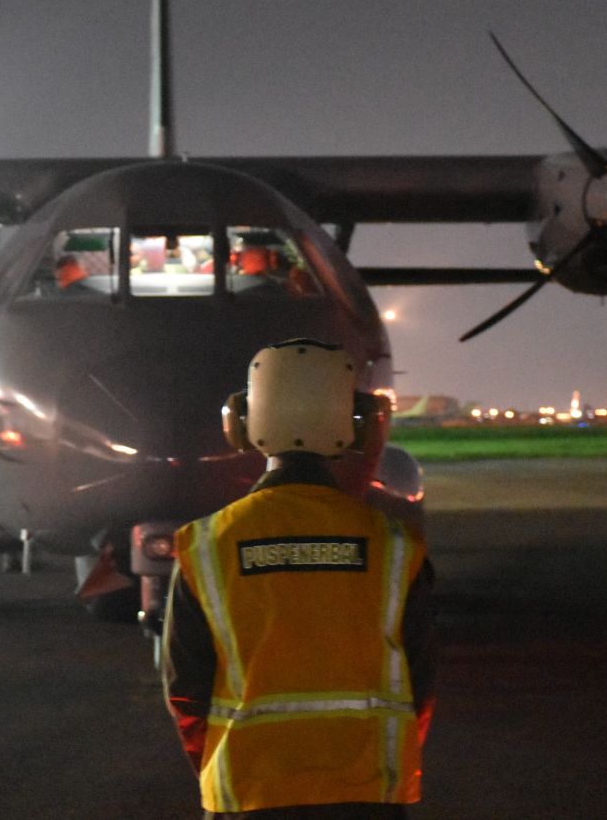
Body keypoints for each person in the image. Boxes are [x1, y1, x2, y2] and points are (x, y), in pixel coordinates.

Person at [163, 339, 436, 819]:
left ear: (241, 424)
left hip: (247, 795)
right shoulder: (397, 547)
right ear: (359, 424)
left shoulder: (204, 546)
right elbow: (420, 688)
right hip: (366, 797)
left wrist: (220, 771)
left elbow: (186, 691)